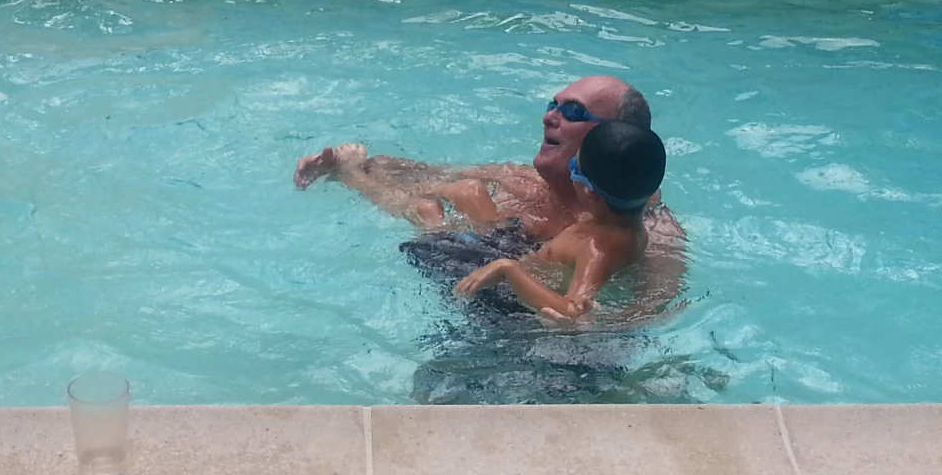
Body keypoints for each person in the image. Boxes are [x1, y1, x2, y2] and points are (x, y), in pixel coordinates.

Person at [293, 74, 685, 317]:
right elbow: (423, 172)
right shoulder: (520, 180)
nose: (550, 117)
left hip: (514, 319)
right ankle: (348, 176)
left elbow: (644, 317)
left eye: (573, 112)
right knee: (455, 196)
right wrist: (359, 164)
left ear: (613, 139)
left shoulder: (651, 232)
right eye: (553, 105)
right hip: (476, 272)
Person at [453, 122, 665, 324]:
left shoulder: (599, 249)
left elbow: (575, 315)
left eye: (574, 166)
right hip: (523, 267)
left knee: (458, 198)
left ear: (589, 192)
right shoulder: (629, 219)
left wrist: (507, 270)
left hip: (511, 303)